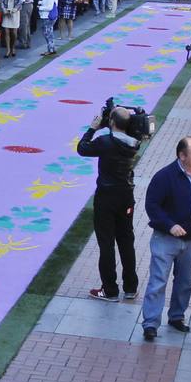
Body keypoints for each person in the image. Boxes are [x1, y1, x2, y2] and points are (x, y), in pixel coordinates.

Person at [140, 135, 191, 341]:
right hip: (166, 239)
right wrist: (170, 225)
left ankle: (176, 317)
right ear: (181, 156)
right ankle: (150, 324)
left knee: (185, 281)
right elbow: (152, 206)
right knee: (158, 281)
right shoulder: (164, 176)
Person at [77, 105, 142, 302]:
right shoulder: (134, 142)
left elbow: (82, 148)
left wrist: (92, 128)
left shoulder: (104, 142)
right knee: (126, 241)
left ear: (111, 122)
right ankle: (130, 287)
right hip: (126, 196)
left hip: (106, 198)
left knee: (106, 244)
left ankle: (110, 290)